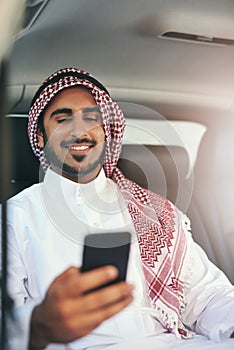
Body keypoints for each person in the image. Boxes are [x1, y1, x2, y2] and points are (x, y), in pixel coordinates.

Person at [4, 67, 234, 350]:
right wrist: (40, 323)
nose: (80, 131)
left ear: (107, 132)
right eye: (63, 120)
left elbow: (208, 295)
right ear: (40, 137)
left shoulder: (154, 212)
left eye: (92, 119)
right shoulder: (14, 217)